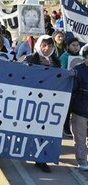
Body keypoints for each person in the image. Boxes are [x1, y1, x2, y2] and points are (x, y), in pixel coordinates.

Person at [24, 35, 60, 173]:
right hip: (32, 101)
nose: (47, 48)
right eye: (44, 45)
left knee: (45, 131)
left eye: (50, 46)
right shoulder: (30, 59)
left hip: (49, 103)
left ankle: (41, 159)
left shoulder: (55, 61)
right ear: (39, 45)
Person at [70, 47, 88, 171]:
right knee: (80, 137)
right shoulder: (78, 70)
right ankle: (82, 160)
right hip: (80, 109)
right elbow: (73, 91)